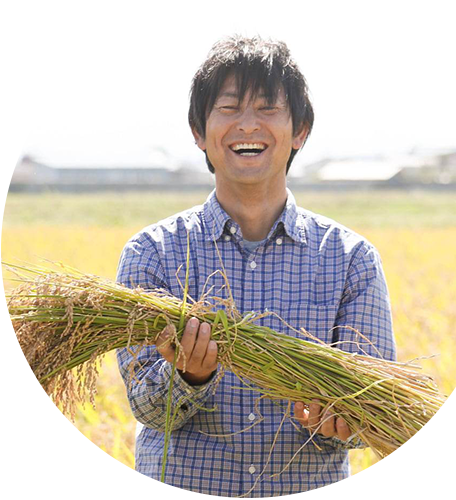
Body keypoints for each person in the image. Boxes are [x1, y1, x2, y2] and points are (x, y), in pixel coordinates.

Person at [116, 35, 396, 498]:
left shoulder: (350, 260)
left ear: (300, 130)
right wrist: (188, 376)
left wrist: (346, 418)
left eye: (268, 108)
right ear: (199, 131)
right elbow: (145, 405)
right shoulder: (153, 253)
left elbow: (376, 411)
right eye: (229, 108)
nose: (247, 125)